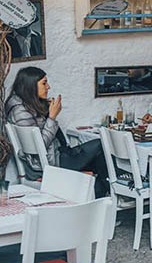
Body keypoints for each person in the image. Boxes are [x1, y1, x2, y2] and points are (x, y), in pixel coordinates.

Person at [5, 67, 109, 196]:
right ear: (30, 86)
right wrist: (52, 117)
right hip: (47, 165)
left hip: (52, 157)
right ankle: (109, 195)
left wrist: (46, 111)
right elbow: (39, 147)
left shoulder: (25, 105)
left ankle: (98, 197)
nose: (48, 87)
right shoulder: (20, 111)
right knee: (100, 145)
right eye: (44, 83)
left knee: (98, 160)